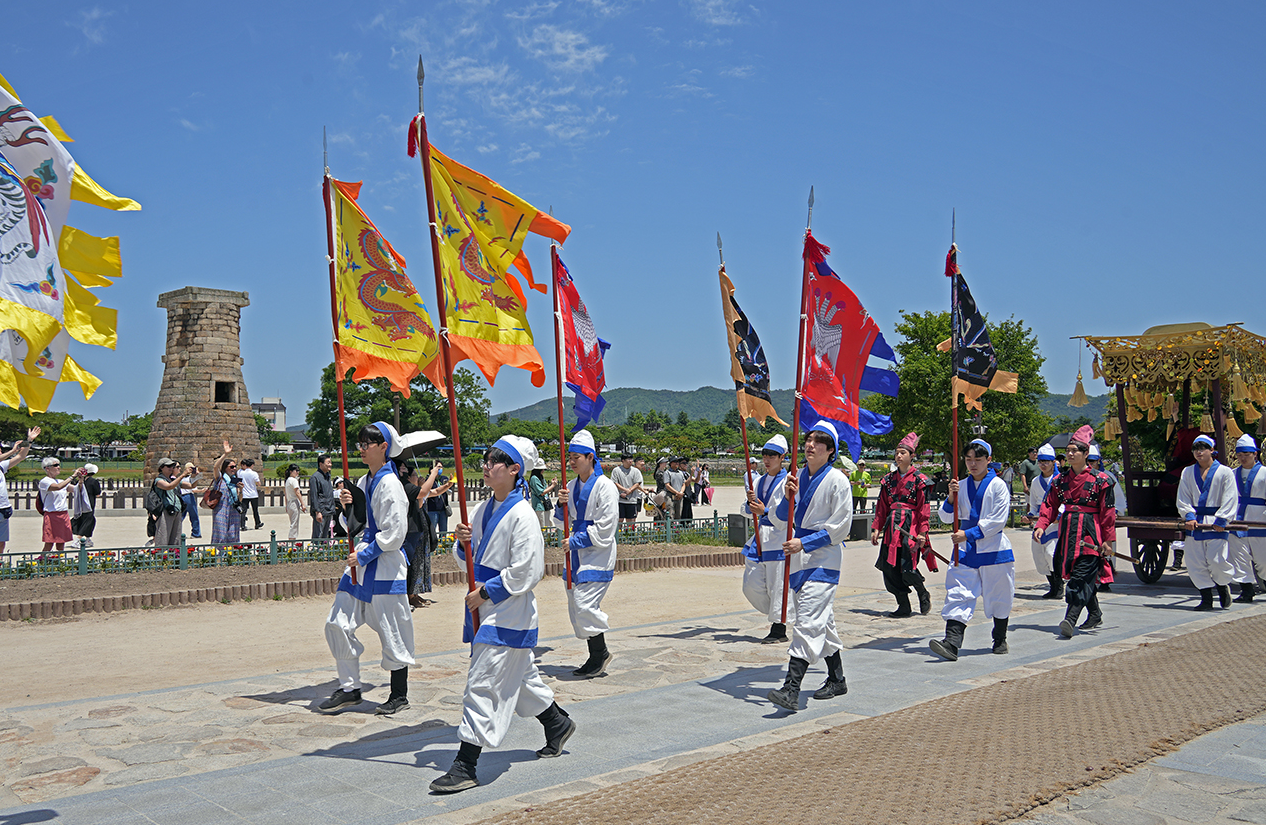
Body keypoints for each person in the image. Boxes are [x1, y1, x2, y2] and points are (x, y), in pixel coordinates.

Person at [430, 436, 576, 794]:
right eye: (485, 458)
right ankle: (556, 723)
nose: (486, 464)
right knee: (520, 678)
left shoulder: (523, 515)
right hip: (486, 610)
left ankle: (466, 764)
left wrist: (486, 591)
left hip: (508, 613)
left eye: (495, 459)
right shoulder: (482, 510)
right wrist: (461, 541)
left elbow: (528, 571)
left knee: (482, 685)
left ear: (514, 470)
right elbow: (470, 560)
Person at [320, 422, 415, 716]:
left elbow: (395, 532)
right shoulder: (363, 482)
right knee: (337, 621)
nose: (361, 448)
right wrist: (347, 508)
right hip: (360, 563)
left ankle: (399, 694)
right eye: (359, 443)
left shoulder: (391, 485)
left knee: (392, 631)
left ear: (383, 447)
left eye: (367, 444)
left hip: (384, 566)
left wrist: (365, 555)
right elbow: (355, 525)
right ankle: (350, 688)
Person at [764, 421, 853, 712]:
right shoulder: (797, 476)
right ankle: (837, 678)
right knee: (821, 622)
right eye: (808, 439)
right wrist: (788, 496)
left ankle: (791, 688)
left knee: (807, 621)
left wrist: (805, 543)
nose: (810, 445)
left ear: (830, 451)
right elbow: (779, 517)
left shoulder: (838, 481)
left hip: (823, 559)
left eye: (818, 441)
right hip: (799, 558)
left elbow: (840, 527)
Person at [930, 438, 1015, 660]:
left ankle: (1000, 637)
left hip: (993, 549)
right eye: (968, 459)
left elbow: (998, 520)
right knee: (958, 593)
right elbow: (946, 516)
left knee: (999, 595)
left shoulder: (998, 486)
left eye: (978, 459)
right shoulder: (961, 485)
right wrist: (950, 496)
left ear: (988, 460)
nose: (973, 464)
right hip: (965, 549)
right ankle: (951, 643)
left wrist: (968, 534)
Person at [1034, 426, 1117, 634]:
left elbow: (1108, 512)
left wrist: (1108, 540)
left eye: (1075, 450)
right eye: (1068, 450)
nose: (1070, 454)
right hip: (1068, 532)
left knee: (1080, 578)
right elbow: (1050, 505)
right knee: (1077, 576)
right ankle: (1095, 613)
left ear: (1086, 454)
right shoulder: (1060, 480)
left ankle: (1069, 620)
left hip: (1091, 534)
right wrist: (1041, 524)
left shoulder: (1102, 481)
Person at [555, 429, 619, 677]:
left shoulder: (605, 486)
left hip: (597, 552)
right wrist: (560, 506)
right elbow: (562, 521)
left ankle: (599, 653)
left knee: (584, 603)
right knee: (575, 602)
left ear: (590, 457)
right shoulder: (570, 486)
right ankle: (597, 653)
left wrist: (576, 540)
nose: (571, 462)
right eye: (569, 457)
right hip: (575, 551)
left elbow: (607, 527)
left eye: (576, 457)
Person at [871, 432, 934, 618]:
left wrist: (922, 532)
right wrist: (876, 528)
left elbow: (924, 508)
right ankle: (903, 605)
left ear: (912, 456)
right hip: (891, 527)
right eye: (897, 453)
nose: (899, 456)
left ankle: (922, 592)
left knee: (908, 566)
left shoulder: (920, 480)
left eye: (903, 453)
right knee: (889, 567)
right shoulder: (888, 480)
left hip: (910, 525)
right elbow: (882, 506)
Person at [1176, 433, 1238, 610]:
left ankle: (1222, 586)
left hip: (1216, 522)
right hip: (1194, 523)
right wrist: (1188, 515)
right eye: (1195, 449)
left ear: (1212, 450)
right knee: (1195, 561)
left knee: (1216, 560)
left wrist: (1222, 518)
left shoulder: (1225, 472)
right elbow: (1183, 497)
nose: (1198, 452)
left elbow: (1231, 497)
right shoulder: (1187, 472)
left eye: (1203, 448)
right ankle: (1206, 598)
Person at [742, 434, 790, 643]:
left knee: (777, 584)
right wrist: (750, 505)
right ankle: (777, 612)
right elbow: (746, 510)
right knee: (750, 584)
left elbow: (788, 513)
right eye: (765, 455)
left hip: (779, 537)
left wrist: (764, 510)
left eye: (773, 455)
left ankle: (779, 627)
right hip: (760, 536)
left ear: (782, 457)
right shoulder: (758, 480)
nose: (767, 459)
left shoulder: (788, 481)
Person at [1229, 434, 1266, 602]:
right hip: (1237, 520)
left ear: (1255, 454)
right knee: (1239, 557)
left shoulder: (1265, 473)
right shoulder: (1231, 473)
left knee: (1263, 558)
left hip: (1259, 519)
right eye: (1240, 454)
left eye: (1247, 454)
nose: (1243, 458)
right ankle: (1247, 590)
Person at [1023, 443, 1062, 599]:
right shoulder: (1034, 482)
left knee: (1051, 554)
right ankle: (1052, 586)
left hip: (1055, 523)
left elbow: (1065, 502)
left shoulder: (1060, 480)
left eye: (1046, 461)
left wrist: (1059, 515)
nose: (1043, 465)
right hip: (1040, 522)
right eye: (1040, 462)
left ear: (1053, 462)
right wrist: (1029, 516)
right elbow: (1032, 504)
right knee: (1039, 555)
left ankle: (1059, 586)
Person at [399, 462, 433, 609]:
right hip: (409, 530)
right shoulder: (404, 486)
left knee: (415, 565)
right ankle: (407, 595)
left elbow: (428, 493)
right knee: (408, 565)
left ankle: (412, 594)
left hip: (417, 530)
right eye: (402, 467)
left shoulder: (410, 487)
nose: (405, 470)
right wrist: (434, 473)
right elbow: (423, 494)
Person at [0, 428, 38, 554]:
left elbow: (21, 456)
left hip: (3, 509)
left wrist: (29, 440)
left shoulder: (1, 466)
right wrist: (12, 450)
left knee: (1, 542)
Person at [39, 456, 80, 554]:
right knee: (49, 543)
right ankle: (42, 562)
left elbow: (76, 489)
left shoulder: (61, 480)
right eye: (55, 465)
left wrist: (81, 479)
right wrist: (72, 476)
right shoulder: (45, 481)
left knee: (61, 543)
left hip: (63, 514)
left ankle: (59, 563)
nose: (58, 467)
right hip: (52, 515)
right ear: (47, 468)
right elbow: (57, 487)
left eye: (59, 465)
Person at [152, 458, 191, 548]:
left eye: (172, 466)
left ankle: (175, 558)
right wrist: (183, 475)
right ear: (161, 467)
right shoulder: (158, 480)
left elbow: (192, 486)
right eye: (169, 466)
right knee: (163, 538)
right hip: (165, 511)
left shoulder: (173, 479)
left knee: (176, 539)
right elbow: (169, 486)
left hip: (176, 510)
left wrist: (195, 476)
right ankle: (161, 558)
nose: (171, 468)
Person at [210, 444, 244, 546]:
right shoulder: (220, 478)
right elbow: (215, 467)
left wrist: (241, 490)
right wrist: (225, 454)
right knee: (220, 534)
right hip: (221, 509)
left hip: (233, 509)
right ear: (225, 468)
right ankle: (218, 555)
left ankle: (232, 555)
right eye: (231, 467)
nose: (234, 468)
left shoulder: (234, 480)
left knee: (233, 534)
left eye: (235, 466)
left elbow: (239, 499)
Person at [71, 463, 102, 548]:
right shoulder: (94, 481)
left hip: (80, 503)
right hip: (90, 503)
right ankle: (77, 540)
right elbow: (97, 493)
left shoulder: (81, 480)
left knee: (86, 520)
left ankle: (87, 538)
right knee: (88, 520)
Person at [610, 453, 644, 527]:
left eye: (631, 459)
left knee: (631, 520)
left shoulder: (635, 471)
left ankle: (629, 537)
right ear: (623, 460)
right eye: (628, 459)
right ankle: (619, 536)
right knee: (619, 519)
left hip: (632, 500)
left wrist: (630, 491)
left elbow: (637, 483)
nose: (630, 461)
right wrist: (625, 490)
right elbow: (615, 482)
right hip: (620, 499)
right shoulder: (616, 470)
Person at [309, 454, 336, 541]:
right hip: (321, 511)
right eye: (328, 462)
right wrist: (317, 512)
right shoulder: (315, 477)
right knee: (318, 535)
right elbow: (314, 496)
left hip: (329, 509)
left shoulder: (327, 476)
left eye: (330, 462)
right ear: (321, 464)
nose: (330, 464)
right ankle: (316, 552)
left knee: (325, 536)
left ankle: (323, 552)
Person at [425, 463, 455, 538]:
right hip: (432, 509)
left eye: (441, 467)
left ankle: (443, 546)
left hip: (443, 509)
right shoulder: (429, 479)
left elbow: (450, 492)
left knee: (443, 530)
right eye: (438, 467)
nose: (440, 469)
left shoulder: (444, 478)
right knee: (432, 530)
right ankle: (432, 547)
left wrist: (446, 487)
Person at [179, 463, 204, 539]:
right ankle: (196, 533)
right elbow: (193, 489)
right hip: (189, 496)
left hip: (182, 496)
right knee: (194, 516)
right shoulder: (190, 478)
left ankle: (175, 532)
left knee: (181, 516)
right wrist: (201, 490)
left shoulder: (181, 478)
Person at [238, 458, 263, 530]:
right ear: (252, 465)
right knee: (255, 510)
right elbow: (258, 483)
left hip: (245, 494)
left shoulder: (241, 473)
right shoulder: (254, 473)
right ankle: (257, 523)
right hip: (253, 494)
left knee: (244, 510)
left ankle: (242, 525)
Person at [283, 464, 306, 541]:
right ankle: (292, 540)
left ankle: (292, 539)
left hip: (289, 503)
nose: (297, 472)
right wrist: (303, 504)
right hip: (293, 502)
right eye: (296, 471)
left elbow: (286, 494)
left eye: (298, 470)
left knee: (293, 522)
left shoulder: (288, 480)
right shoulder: (293, 480)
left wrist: (286, 505)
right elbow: (297, 492)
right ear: (291, 471)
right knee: (294, 523)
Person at [664, 457, 686, 522]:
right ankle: (669, 529)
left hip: (679, 496)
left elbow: (683, 484)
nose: (677, 463)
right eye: (675, 461)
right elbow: (667, 485)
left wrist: (681, 492)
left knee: (678, 514)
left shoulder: (680, 472)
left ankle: (676, 529)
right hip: (670, 495)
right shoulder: (667, 472)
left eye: (678, 462)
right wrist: (677, 492)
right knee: (670, 513)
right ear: (671, 463)